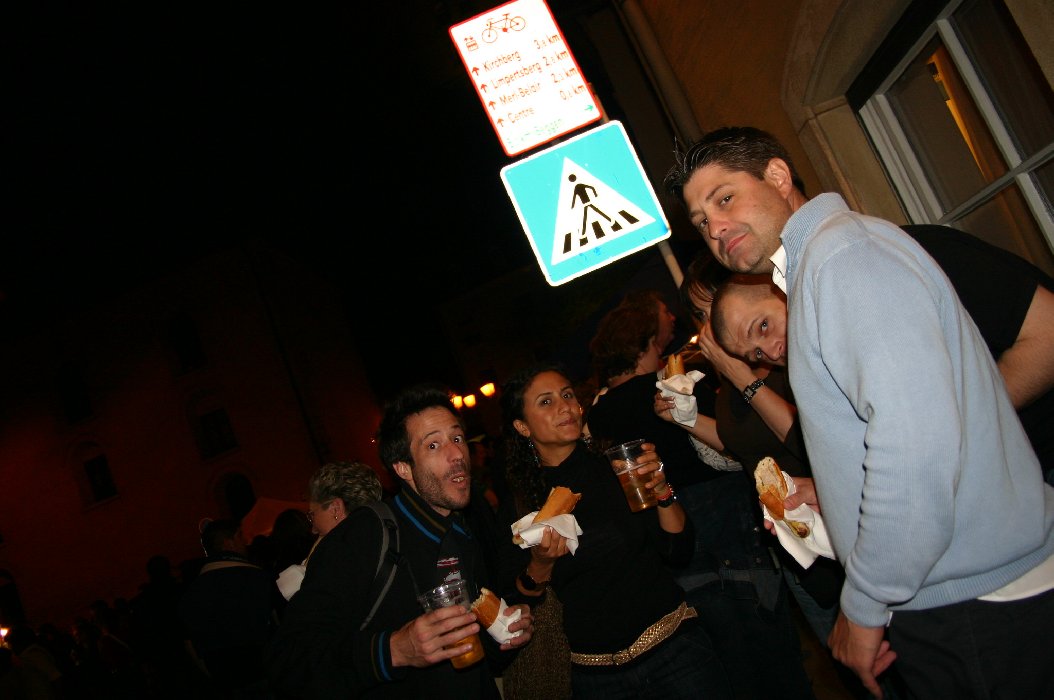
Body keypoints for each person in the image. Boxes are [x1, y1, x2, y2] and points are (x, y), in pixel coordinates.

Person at [666, 125, 1054, 698]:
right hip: (961, 592)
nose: (715, 228)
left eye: (725, 199)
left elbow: (917, 448)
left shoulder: (843, 259)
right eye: (701, 221)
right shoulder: (823, 265)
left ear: (778, 176)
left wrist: (865, 603)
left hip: (976, 600)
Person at [586, 291, 814, 699]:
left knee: (726, 662)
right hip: (724, 518)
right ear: (647, 336)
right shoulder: (677, 386)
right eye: (664, 315)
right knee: (772, 657)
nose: (673, 318)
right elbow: (734, 449)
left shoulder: (599, 412)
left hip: (670, 537)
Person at [266, 382, 534, 699]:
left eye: (457, 438)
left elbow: (477, 658)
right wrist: (394, 650)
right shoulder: (364, 536)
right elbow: (288, 664)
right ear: (403, 468)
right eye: (433, 445)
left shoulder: (463, 532)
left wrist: (503, 634)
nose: (456, 454)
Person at [495, 362, 732, 699]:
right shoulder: (520, 504)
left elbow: (678, 550)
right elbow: (518, 598)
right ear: (522, 426)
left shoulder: (618, 465)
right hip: (596, 676)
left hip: (674, 651)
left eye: (567, 395)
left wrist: (662, 491)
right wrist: (541, 563)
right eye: (546, 402)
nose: (565, 406)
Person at [178, 518, 279, 698]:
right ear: (228, 543)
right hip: (267, 676)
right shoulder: (257, 578)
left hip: (225, 681)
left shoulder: (190, 593)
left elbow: (190, 644)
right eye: (240, 536)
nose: (245, 542)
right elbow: (278, 622)